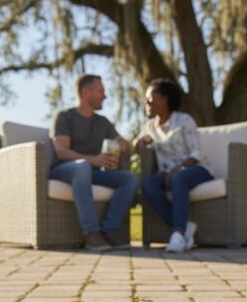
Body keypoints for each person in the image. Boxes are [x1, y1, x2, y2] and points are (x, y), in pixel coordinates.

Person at [49, 74, 137, 251]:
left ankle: (108, 231)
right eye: (100, 91)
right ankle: (91, 233)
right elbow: (61, 152)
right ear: (86, 92)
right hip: (64, 171)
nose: (105, 96)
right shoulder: (64, 117)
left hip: (92, 172)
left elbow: (124, 144)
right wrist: (94, 160)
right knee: (82, 167)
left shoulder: (102, 122)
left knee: (129, 179)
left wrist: (126, 145)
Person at [134, 78, 213, 253]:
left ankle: (177, 234)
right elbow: (136, 147)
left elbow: (197, 153)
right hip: (169, 174)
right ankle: (184, 228)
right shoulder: (149, 126)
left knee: (179, 177)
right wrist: (141, 141)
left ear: (165, 99)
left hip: (197, 170)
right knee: (148, 183)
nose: (147, 102)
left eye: (151, 97)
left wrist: (177, 170)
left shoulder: (184, 120)